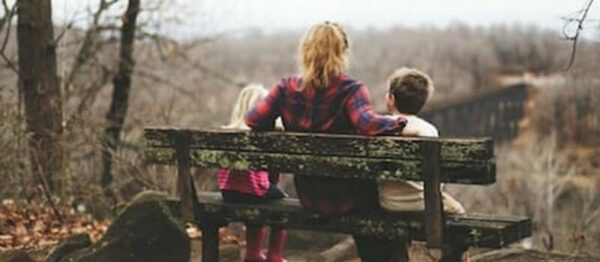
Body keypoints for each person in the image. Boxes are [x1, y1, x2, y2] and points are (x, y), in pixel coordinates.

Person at [245, 22, 408, 262]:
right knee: (382, 221)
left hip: (310, 196)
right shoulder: (351, 90)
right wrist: (399, 122)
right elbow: (368, 124)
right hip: (350, 197)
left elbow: (253, 118)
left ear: (306, 51)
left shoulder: (285, 89)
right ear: (342, 53)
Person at [379, 67, 465, 214]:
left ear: (391, 99)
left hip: (389, 203)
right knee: (457, 209)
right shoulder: (428, 130)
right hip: (423, 203)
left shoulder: (379, 126)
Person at [218, 84, 288, 262]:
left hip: (228, 193)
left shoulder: (227, 133)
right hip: (254, 191)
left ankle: (253, 253)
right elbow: (273, 177)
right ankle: (275, 255)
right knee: (281, 205)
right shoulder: (264, 135)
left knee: (257, 200)